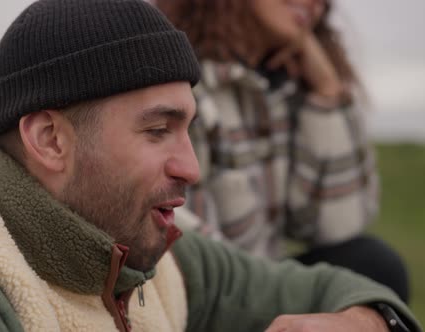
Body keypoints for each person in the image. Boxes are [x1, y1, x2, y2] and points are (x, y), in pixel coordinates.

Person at [0, 0, 420, 331]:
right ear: (50, 140)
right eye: (157, 129)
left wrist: (368, 324)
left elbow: (340, 283)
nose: (191, 166)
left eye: (188, 128)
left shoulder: (157, 259)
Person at [153, 0, 410, 302]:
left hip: (261, 282)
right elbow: (187, 251)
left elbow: (338, 226)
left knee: (371, 265)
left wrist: (327, 92)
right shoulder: (181, 86)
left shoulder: (283, 90)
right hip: (206, 297)